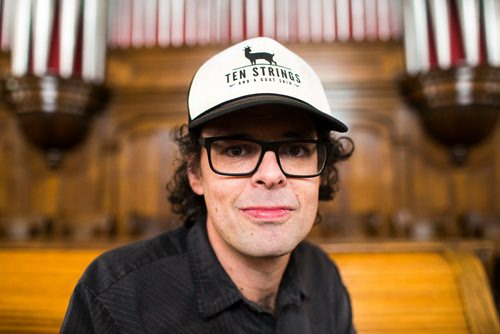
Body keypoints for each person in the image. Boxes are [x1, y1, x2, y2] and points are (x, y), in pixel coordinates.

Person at [61, 37, 355, 333]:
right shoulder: (116, 299)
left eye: (295, 150)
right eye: (236, 150)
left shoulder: (324, 277)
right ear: (195, 173)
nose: (270, 174)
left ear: (320, 170)